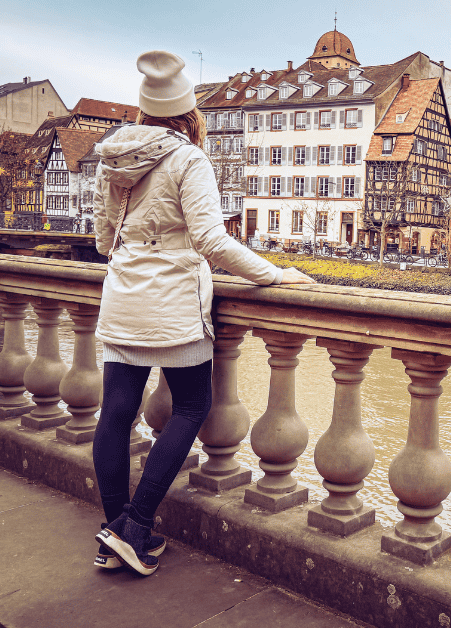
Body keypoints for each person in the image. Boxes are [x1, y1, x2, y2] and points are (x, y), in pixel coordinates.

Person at [92, 50, 314, 577]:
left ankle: (114, 533)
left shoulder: (114, 158)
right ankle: (136, 524)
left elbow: (104, 240)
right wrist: (275, 274)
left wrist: (138, 247)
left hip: (123, 296)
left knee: (116, 412)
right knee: (192, 407)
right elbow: (212, 241)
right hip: (171, 304)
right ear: (190, 115)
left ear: (144, 112)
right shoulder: (188, 158)